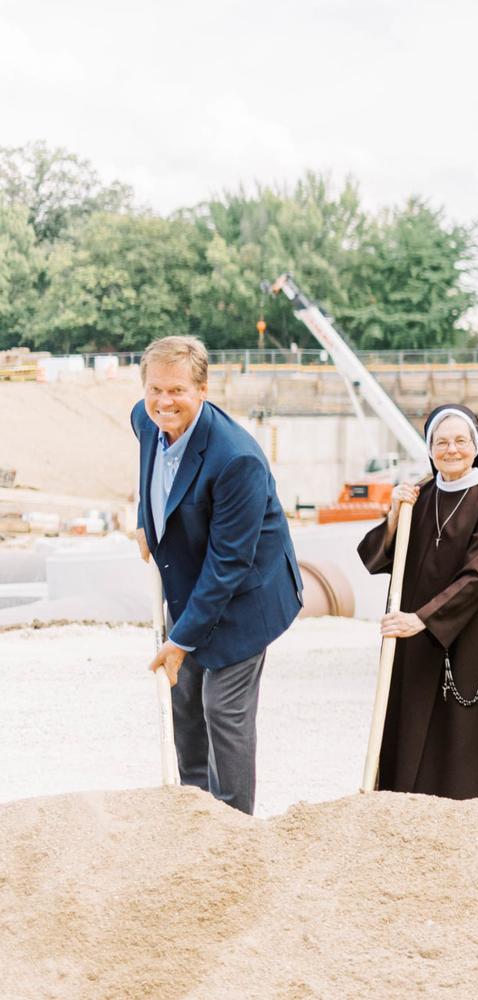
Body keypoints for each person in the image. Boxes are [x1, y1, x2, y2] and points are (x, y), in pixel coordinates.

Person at [131, 335, 302, 815]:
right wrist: (146, 518)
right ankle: (195, 813)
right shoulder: (146, 417)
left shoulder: (236, 459)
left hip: (247, 595)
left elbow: (229, 564)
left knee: (221, 708)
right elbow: (146, 459)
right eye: (156, 389)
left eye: (178, 391)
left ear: (202, 391)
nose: (165, 402)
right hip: (190, 582)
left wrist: (181, 641)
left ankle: (232, 828)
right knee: (184, 702)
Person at [358, 405, 478, 797]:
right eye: (441, 442)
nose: (451, 449)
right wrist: (395, 515)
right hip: (415, 635)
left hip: (468, 634)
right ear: (429, 449)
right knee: (414, 726)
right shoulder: (419, 495)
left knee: (465, 736)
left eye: (460, 441)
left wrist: (423, 619)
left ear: (475, 447)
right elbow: (378, 558)